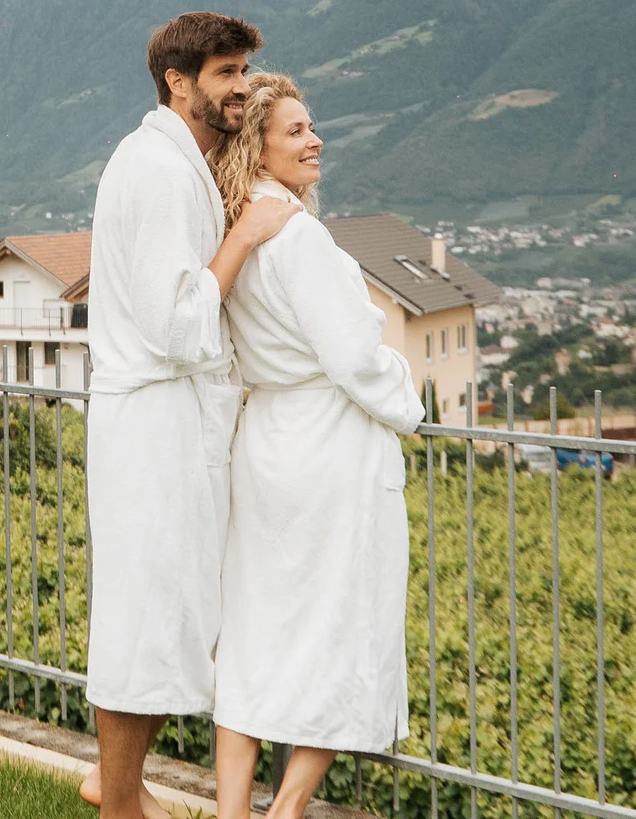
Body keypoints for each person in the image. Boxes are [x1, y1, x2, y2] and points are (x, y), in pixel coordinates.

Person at [79, 14, 302, 819]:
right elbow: (177, 325)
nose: (241, 86)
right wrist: (243, 237)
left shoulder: (179, 164)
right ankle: (119, 805)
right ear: (179, 82)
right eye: (226, 72)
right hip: (155, 423)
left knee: (167, 613)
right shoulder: (162, 173)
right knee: (146, 613)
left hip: (169, 422)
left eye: (244, 72)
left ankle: (115, 783)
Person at [210, 73, 424, 819]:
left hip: (267, 442)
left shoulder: (240, 231)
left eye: (312, 127)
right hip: (329, 451)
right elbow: (355, 360)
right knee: (342, 625)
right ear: (259, 147)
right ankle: (287, 809)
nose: (314, 140)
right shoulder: (299, 236)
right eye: (297, 130)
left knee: (255, 631)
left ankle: (233, 810)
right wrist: (409, 398)